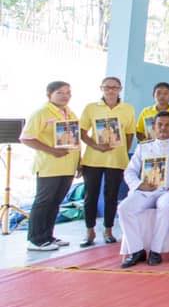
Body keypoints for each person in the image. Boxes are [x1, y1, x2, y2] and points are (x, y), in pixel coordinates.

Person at [116, 112, 169, 267]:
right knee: (123, 208)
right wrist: (139, 185)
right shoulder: (143, 147)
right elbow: (129, 171)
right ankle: (137, 251)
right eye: (160, 124)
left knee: (165, 206)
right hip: (146, 190)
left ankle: (155, 251)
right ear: (154, 127)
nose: (163, 128)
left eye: (168, 125)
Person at [19, 81, 81, 251]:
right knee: (44, 201)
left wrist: (79, 162)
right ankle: (35, 239)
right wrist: (51, 150)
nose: (65, 96)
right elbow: (26, 138)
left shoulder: (70, 113)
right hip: (49, 166)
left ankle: (48, 235)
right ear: (49, 94)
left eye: (68, 92)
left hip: (68, 166)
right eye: (60, 92)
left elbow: (76, 140)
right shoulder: (42, 113)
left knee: (56, 202)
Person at [78, 76, 135, 247]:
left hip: (117, 160)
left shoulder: (128, 109)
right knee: (90, 196)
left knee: (111, 196)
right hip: (93, 159)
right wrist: (96, 145)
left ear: (120, 89)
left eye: (115, 87)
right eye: (107, 87)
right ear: (101, 88)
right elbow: (81, 132)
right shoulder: (91, 108)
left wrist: (122, 150)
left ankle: (108, 230)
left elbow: (130, 133)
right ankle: (89, 232)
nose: (111, 90)